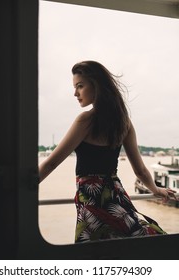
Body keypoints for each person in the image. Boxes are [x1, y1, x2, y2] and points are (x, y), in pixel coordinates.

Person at [39, 60, 176, 243]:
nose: (75, 93)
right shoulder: (124, 122)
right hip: (116, 198)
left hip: (92, 203)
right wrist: (154, 189)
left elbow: (51, 163)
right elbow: (140, 170)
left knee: (94, 254)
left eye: (80, 86)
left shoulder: (85, 120)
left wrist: (24, 187)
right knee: (136, 245)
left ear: (96, 86)